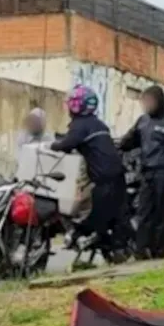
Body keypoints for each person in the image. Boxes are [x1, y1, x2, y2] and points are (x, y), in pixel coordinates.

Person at [51, 85, 132, 256]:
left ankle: (86, 237)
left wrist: (51, 145)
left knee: (97, 214)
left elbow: (66, 145)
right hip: (117, 174)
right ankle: (117, 247)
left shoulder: (80, 125)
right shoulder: (99, 124)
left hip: (103, 177)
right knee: (118, 214)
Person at [119, 85, 164, 259]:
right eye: (145, 102)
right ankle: (142, 248)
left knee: (163, 211)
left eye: (150, 101)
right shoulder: (142, 121)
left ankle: (162, 248)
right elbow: (128, 140)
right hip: (146, 171)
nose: (147, 105)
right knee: (144, 211)